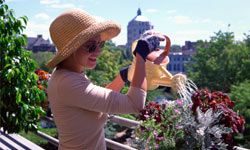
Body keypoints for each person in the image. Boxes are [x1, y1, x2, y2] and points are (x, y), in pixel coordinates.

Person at [46, 9, 164, 150]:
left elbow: (99, 103)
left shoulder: (68, 75)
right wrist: (141, 55)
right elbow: (135, 104)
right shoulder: (68, 83)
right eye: (90, 46)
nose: (98, 51)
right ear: (71, 48)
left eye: (100, 44)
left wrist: (122, 76)